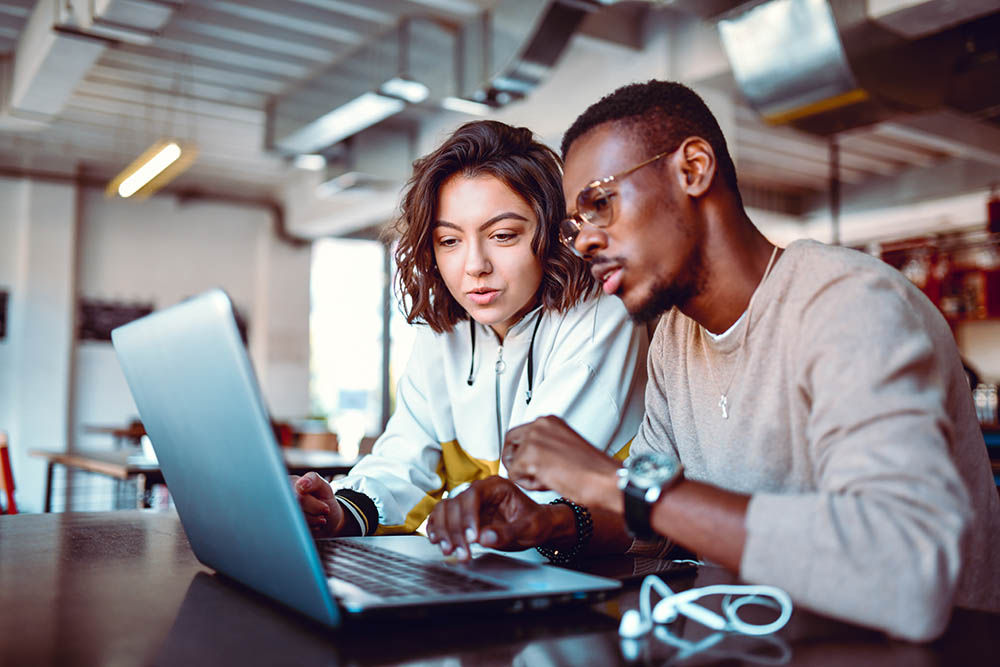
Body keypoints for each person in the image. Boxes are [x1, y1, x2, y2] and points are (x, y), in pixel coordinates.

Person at [431, 81, 1000, 641]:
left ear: (693, 169)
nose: (585, 243)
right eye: (577, 226)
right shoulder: (675, 340)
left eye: (601, 203)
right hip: (768, 642)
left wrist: (615, 481)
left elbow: (905, 576)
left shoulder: (849, 304)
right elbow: (651, 526)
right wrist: (547, 521)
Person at [292, 120, 647, 557]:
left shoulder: (601, 315)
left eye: (502, 235)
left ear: (553, 233)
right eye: (449, 241)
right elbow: (405, 462)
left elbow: (535, 498)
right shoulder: (444, 331)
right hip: (498, 577)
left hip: (602, 589)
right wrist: (337, 511)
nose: (474, 265)